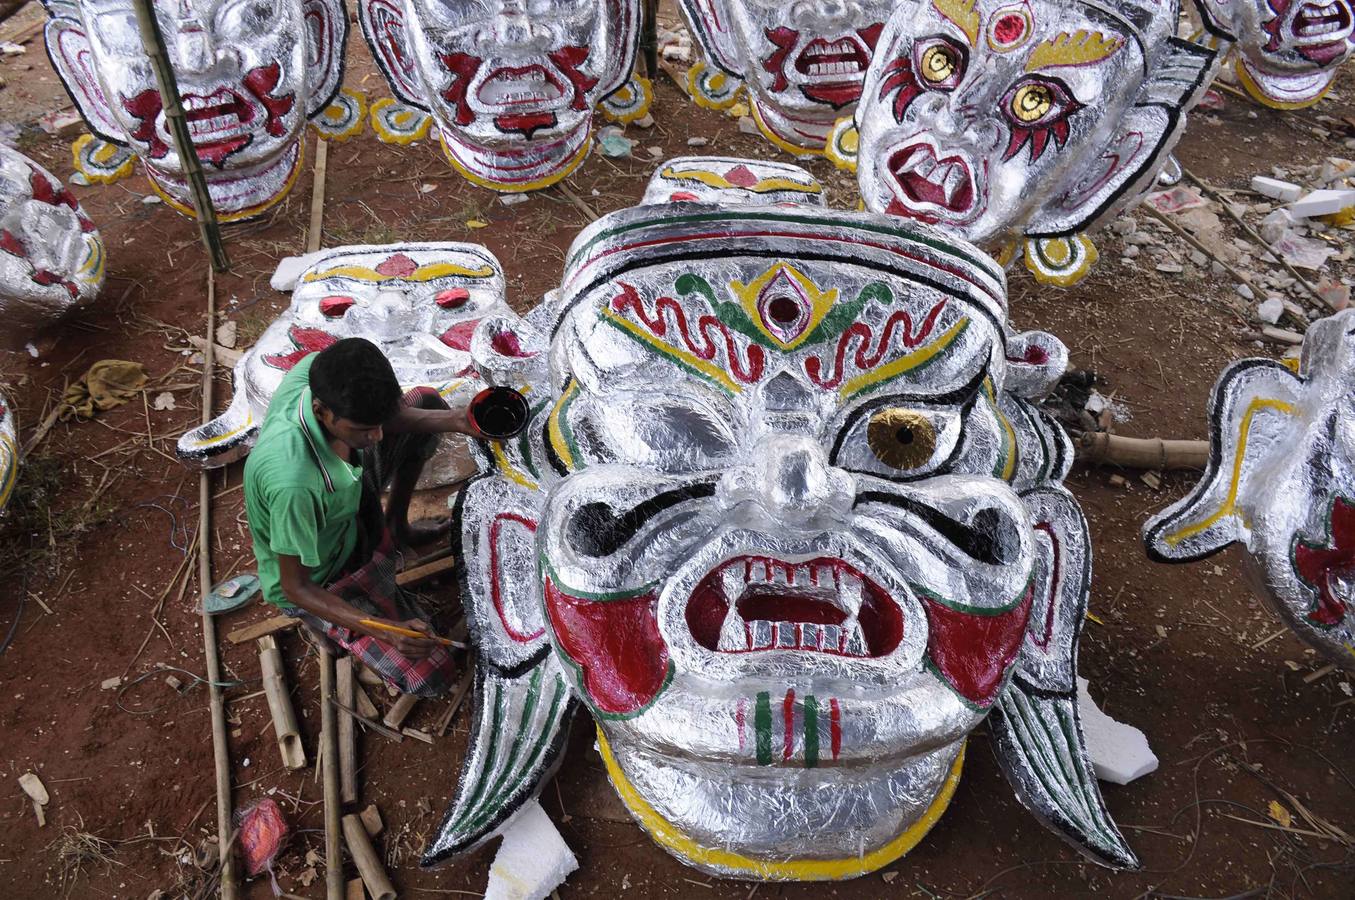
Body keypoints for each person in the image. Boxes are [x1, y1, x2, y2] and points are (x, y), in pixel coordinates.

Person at [244, 338, 495, 697]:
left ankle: (396, 526)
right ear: (320, 411)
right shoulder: (295, 485)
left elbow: (387, 419)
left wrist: (457, 419)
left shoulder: (322, 370)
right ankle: (319, 622)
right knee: (431, 674)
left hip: (344, 501)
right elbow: (295, 586)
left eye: (377, 424)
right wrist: (383, 629)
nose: (377, 436)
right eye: (363, 428)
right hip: (325, 571)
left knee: (426, 402)